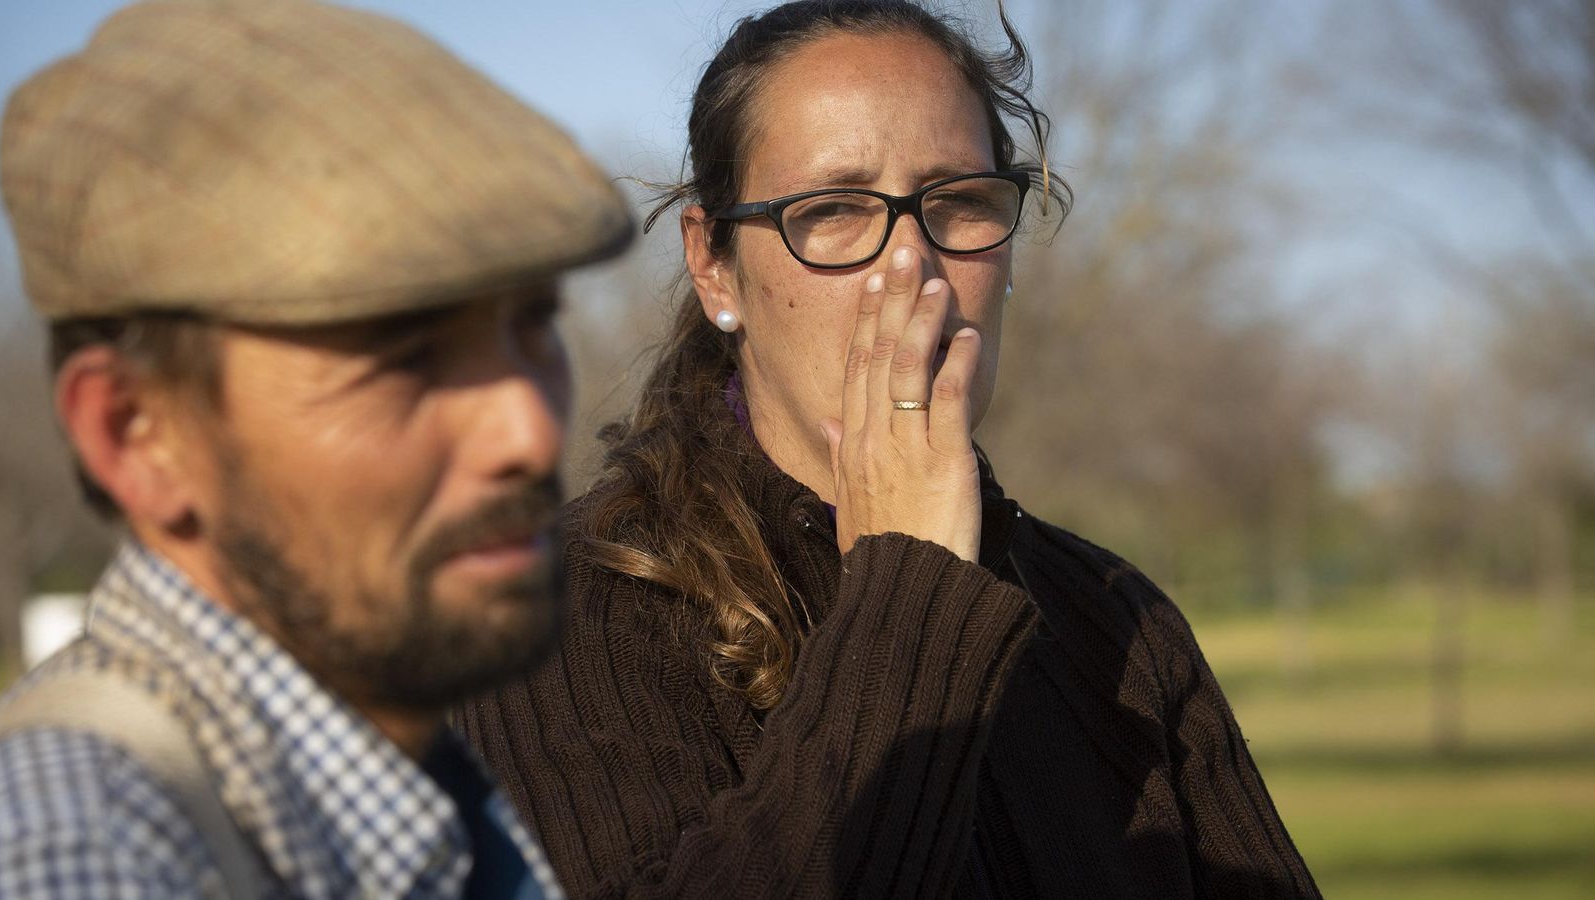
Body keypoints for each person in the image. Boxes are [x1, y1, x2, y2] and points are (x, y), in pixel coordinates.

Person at [457, 1, 1322, 898]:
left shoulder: (1117, 624)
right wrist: (910, 583)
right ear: (715, 265)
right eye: (831, 209)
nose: (911, 265)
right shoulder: (558, 615)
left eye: (959, 201)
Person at [0, 1, 631, 897]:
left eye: (533, 326)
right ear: (136, 434)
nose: (527, 432)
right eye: (403, 360)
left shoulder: (404, 785)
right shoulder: (95, 857)